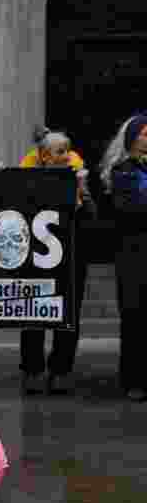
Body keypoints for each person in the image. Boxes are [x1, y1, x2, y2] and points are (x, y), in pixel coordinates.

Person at [20, 132, 96, 394]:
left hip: (72, 259)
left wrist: (83, 193)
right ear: (43, 156)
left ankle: (61, 370)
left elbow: (92, 219)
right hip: (36, 260)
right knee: (32, 315)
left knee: (69, 316)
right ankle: (32, 370)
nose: (64, 156)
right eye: (57, 151)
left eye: (66, 150)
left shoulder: (77, 180)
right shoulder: (26, 181)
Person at [102, 114, 147, 401]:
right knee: (135, 316)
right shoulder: (122, 171)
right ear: (131, 138)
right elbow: (130, 209)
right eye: (144, 133)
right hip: (134, 253)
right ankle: (135, 379)